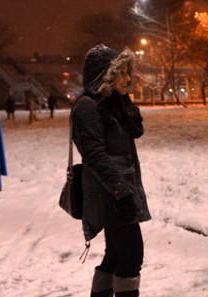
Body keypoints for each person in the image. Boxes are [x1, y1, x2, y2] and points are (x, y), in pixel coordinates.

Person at [71, 44, 150, 297]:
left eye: (129, 72)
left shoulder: (111, 103)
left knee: (115, 255)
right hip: (110, 195)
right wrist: (120, 191)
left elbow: (137, 130)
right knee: (131, 256)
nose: (129, 79)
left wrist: (124, 101)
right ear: (105, 75)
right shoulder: (87, 107)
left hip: (119, 192)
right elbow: (94, 155)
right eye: (122, 73)